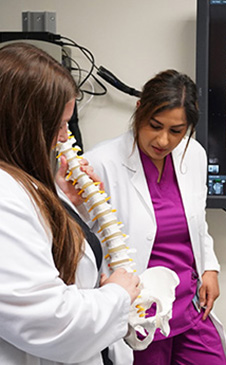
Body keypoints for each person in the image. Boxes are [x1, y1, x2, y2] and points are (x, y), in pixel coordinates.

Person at [0, 42, 141, 365]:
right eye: (59, 124)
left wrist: (65, 202)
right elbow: (49, 321)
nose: (65, 137)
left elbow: (54, 261)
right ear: (25, 123)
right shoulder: (4, 198)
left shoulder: (23, 184)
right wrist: (117, 294)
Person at [85, 69, 226, 364]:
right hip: (141, 313)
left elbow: (197, 223)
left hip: (190, 304)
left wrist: (210, 268)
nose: (163, 140)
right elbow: (80, 241)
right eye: (155, 125)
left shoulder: (194, 156)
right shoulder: (101, 163)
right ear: (139, 111)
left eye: (176, 131)